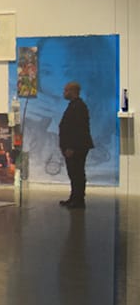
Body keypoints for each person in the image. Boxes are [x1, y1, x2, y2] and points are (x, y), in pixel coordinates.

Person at [58, 81, 93, 209]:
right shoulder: (74, 105)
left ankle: (78, 200)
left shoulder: (79, 107)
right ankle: (74, 197)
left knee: (77, 173)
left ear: (73, 91)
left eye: (66, 90)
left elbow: (78, 129)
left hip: (76, 147)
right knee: (73, 173)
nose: (64, 93)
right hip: (73, 146)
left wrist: (71, 147)